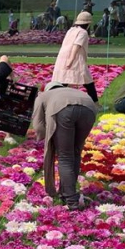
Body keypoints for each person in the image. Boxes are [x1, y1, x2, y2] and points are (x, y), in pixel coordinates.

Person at [32, 82, 97, 210]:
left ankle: (71, 200)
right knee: (76, 152)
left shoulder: (43, 96)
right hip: (89, 109)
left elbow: (38, 125)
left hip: (63, 110)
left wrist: (45, 135)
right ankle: (67, 192)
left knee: (65, 156)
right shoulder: (74, 91)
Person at [51, 11, 98, 103]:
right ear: (88, 23)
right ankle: (95, 103)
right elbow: (76, 46)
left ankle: (53, 100)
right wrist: (71, 60)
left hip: (63, 57)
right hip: (75, 58)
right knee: (87, 82)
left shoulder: (71, 30)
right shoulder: (83, 32)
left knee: (63, 79)